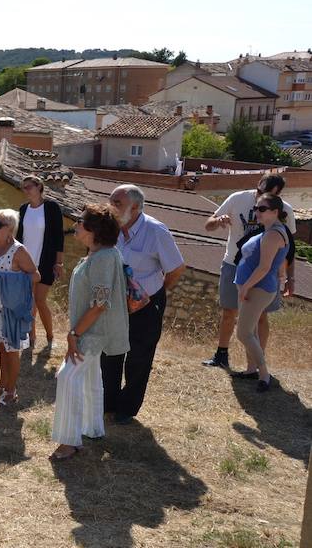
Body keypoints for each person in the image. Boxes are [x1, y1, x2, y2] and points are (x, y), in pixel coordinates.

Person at [50, 204, 129, 460]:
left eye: (80, 222)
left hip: (93, 333)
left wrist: (74, 334)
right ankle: (93, 428)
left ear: (93, 229)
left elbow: (100, 304)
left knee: (68, 377)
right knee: (90, 378)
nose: (75, 225)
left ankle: (69, 441)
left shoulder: (104, 257)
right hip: (91, 331)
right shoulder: (100, 254)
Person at [103, 185, 185, 424]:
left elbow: (176, 268)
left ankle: (127, 409)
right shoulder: (111, 229)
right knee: (110, 353)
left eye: (117, 203)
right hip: (115, 303)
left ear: (135, 207)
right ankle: (108, 403)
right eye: (111, 201)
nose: (111, 207)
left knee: (139, 357)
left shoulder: (155, 231)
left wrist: (155, 293)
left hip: (147, 304)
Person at [201, 174, 297, 369]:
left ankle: (256, 365)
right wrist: (218, 220)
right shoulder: (237, 198)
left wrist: (290, 277)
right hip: (233, 264)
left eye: (268, 196)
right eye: (260, 192)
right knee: (229, 311)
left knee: (261, 316)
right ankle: (221, 355)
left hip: (265, 272)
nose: (260, 198)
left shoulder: (285, 210)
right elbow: (208, 224)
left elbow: (290, 248)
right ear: (257, 186)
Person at [0, 208, 39, 406]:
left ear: (10, 229)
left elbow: (36, 276)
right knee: (1, 348)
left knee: (11, 350)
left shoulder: (18, 250)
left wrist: (8, 279)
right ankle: (2, 384)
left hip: (9, 310)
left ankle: (12, 391)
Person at [232, 194, 290, 392]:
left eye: (262, 209)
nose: (257, 212)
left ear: (275, 212)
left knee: (243, 333)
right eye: (257, 208)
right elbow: (279, 262)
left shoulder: (274, 234)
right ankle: (251, 369)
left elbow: (264, 267)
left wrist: (246, 286)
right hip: (253, 286)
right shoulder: (269, 230)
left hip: (258, 288)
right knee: (252, 331)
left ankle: (264, 373)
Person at [16, 175, 65, 350]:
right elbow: (19, 237)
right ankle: (31, 337)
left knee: (40, 299)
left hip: (45, 261)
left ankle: (50, 336)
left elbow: (59, 237)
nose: (26, 190)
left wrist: (59, 263)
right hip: (26, 262)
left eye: (29, 186)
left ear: (39, 187)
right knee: (29, 301)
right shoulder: (23, 209)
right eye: (24, 187)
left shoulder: (51, 207)